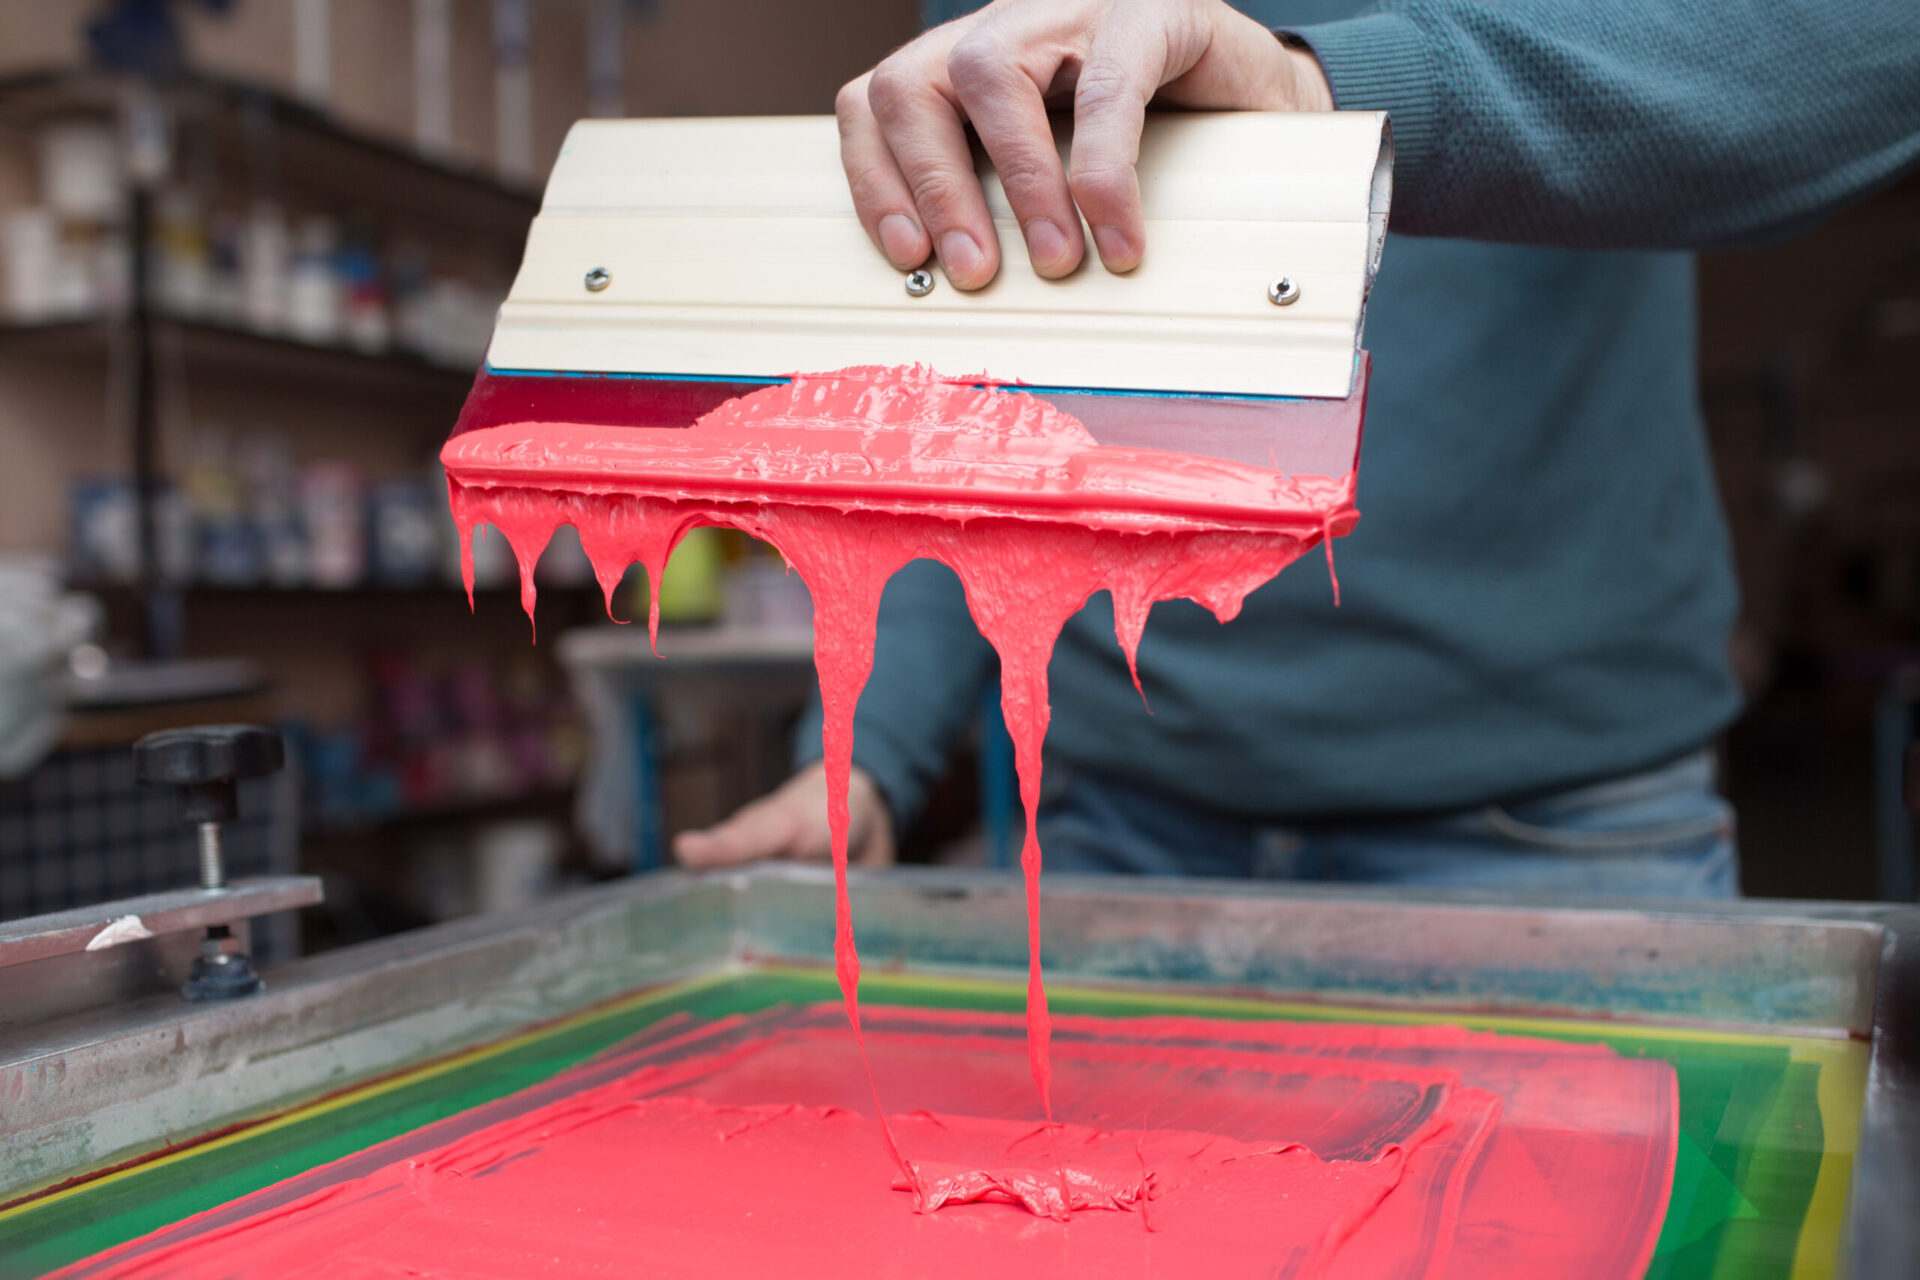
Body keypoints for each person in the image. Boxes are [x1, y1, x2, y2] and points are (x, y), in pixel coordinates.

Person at [673, 0, 1920, 896]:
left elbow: (1866, 50)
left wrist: (1317, 96)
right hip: (1121, 835)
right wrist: (869, 752)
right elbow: (986, 407)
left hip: (1554, 840)